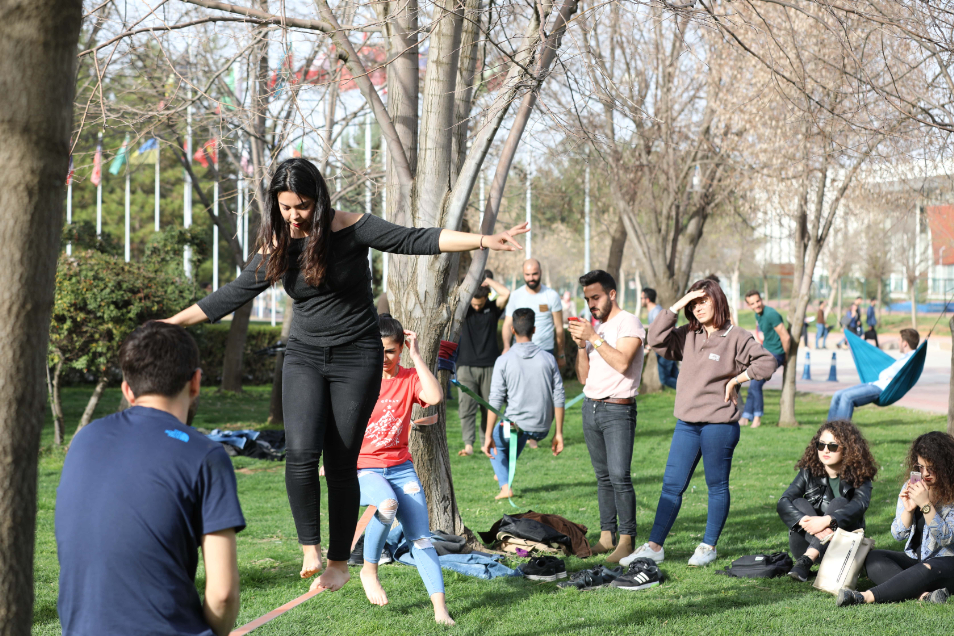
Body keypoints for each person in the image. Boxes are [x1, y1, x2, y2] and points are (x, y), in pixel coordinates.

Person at [162, 158, 528, 591]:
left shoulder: (352, 228)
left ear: (318, 199)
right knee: (300, 453)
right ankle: (309, 548)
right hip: (304, 356)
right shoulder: (278, 245)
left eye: (302, 206)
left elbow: (415, 239)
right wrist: (170, 324)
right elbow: (230, 295)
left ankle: (339, 561)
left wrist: (484, 239)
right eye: (285, 208)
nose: (294, 216)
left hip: (356, 357)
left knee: (340, 460)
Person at [56, 322, 245, 636]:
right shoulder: (206, 456)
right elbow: (223, 594)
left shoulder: (84, 439)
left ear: (128, 390)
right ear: (195, 382)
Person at [625, 279, 777, 567]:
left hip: (719, 424)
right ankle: (655, 546)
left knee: (716, 486)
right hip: (687, 423)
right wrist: (677, 304)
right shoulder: (688, 335)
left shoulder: (736, 336)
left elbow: (767, 363)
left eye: (703, 301)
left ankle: (708, 546)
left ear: (718, 301)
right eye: (693, 303)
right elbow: (656, 339)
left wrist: (736, 379)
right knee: (671, 485)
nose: (698, 308)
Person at [356, 314, 453, 625]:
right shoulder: (359, 378)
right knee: (386, 503)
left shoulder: (410, 377)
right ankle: (369, 569)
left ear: (400, 349)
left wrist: (416, 354)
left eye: (390, 351)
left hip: (400, 468)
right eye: (378, 350)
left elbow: (434, 397)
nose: (384, 358)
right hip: (365, 469)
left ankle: (441, 611)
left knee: (421, 538)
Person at [568, 270, 645, 562]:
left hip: (618, 409)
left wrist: (593, 337)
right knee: (603, 477)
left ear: (612, 294)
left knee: (619, 476)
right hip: (592, 407)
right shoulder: (594, 330)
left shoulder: (629, 323)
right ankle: (606, 536)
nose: (591, 304)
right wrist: (580, 346)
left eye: (596, 297)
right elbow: (584, 376)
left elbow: (624, 363)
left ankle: (627, 539)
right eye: (587, 299)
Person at [838, 431, 954, 607]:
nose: (925, 474)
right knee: (874, 558)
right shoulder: (914, 485)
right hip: (918, 559)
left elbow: (946, 539)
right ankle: (924, 596)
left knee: (927, 568)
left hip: (946, 562)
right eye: (921, 467)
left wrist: (925, 505)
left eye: (931, 468)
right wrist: (907, 511)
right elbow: (898, 535)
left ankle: (864, 597)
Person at [777, 420, 876, 582]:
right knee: (798, 504)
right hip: (803, 543)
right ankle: (810, 554)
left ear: (847, 449)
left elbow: (860, 505)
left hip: (842, 546)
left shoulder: (860, 475)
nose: (825, 450)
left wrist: (827, 520)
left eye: (832, 446)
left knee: (839, 503)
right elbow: (783, 501)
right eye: (821, 445)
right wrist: (806, 522)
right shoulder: (808, 471)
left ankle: (808, 558)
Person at [482, 307, 565, 499]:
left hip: (514, 426)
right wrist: (558, 433)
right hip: (541, 428)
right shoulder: (549, 358)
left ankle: (505, 487)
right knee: (515, 435)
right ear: (534, 329)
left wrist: (487, 435)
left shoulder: (503, 360)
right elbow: (559, 395)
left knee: (496, 441)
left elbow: (495, 399)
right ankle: (502, 472)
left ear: (512, 330)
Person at [456, 276, 511, 456]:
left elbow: (506, 293)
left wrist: (486, 280)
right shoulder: (464, 309)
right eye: (474, 303)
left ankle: (486, 441)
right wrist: (472, 282)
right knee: (467, 407)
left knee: (490, 407)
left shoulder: (493, 308)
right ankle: (469, 445)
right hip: (466, 366)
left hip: (490, 366)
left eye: (480, 304)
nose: (477, 307)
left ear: (487, 297)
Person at [827, 328, 919, 421]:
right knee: (837, 395)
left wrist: (894, 381)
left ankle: (840, 434)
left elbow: (903, 377)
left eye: (899, 340)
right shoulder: (904, 358)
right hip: (874, 383)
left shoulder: (911, 360)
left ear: (905, 343)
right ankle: (828, 431)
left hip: (881, 389)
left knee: (847, 397)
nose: (898, 342)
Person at [501, 259, 565, 370]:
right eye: (527, 274)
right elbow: (507, 325)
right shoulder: (515, 296)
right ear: (523, 273)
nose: (531, 278)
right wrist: (506, 347)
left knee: (544, 386)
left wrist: (561, 353)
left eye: (535, 274)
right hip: (519, 351)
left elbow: (559, 327)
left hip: (545, 350)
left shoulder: (551, 295)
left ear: (541, 272)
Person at [740, 290, 790, 428]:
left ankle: (757, 417)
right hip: (766, 353)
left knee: (755, 385)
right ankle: (745, 417)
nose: (756, 305)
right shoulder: (759, 314)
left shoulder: (771, 314)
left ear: (761, 299)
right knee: (752, 383)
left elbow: (785, 337)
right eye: (752, 303)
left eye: (758, 301)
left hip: (776, 354)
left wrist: (785, 357)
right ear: (749, 305)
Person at [642, 287, 678, 389]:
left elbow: (664, 331)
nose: (641, 300)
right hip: (664, 350)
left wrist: (650, 346)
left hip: (666, 349)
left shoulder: (657, 312)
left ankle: (689, 392)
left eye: (641, 298)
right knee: (677, 376)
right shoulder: (653, 312)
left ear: (647, 299)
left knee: (665, 379)